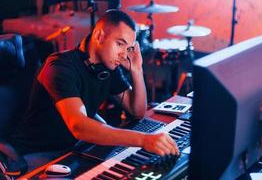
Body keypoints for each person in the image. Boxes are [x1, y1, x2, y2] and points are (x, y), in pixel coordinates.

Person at [9, 10, 179, 169]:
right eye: (120, 44)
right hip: (37, 154)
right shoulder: (59, 67)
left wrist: (137, 69)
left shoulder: (107, 68)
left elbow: (137, 111)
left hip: (73, 150)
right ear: (99, 35)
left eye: (128, 48)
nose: (123, 54)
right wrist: (143, 139)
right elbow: (79, 126)